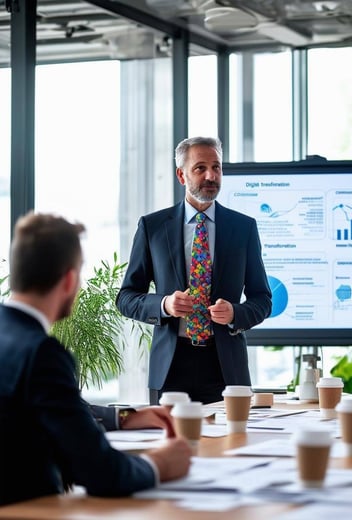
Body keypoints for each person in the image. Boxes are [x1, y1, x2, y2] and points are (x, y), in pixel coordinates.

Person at [0, 213, 191, 506]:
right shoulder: (42, 353)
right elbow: (100, 472)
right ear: (69, 280)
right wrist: (160, 464)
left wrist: (125, 418)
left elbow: (64, 408)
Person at [117, 136, 272, 405]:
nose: (211, 175)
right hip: (171, 368)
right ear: (181, 175)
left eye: (217, 167)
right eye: (200, 168)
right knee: (174, 445)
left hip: (226, 369)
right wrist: (164, 304)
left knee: (230, 445)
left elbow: (263, 300)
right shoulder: (152, 227)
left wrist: (236, 313)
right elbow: (126, 298)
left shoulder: (243, 228)